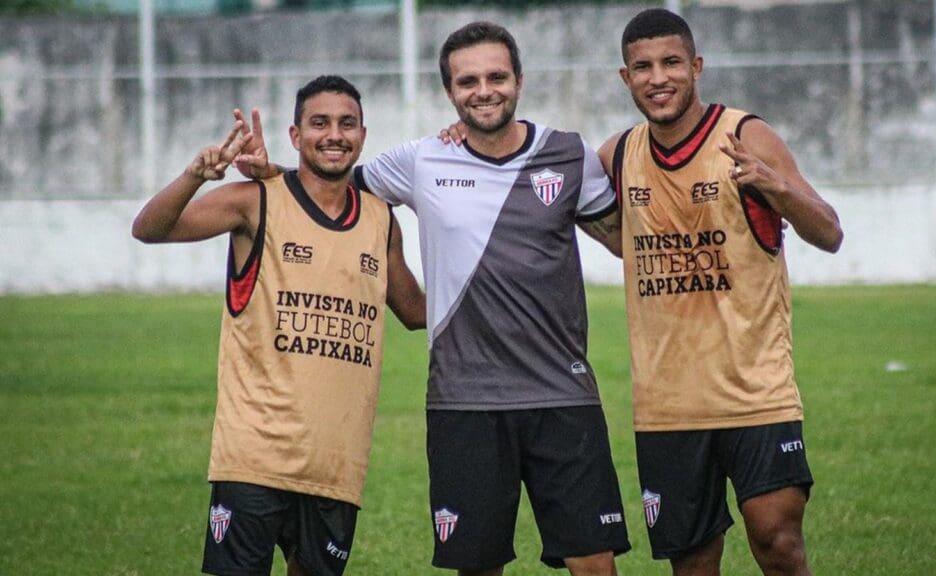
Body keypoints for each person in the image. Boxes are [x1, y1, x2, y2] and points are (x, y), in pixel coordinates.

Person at [234, 22, 630, 576]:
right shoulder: (422, 160)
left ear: (519, 80)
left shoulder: (568, 155)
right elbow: (330, 183)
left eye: (496, 76)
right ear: (450, 91)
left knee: (595, 566)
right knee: (476, 566)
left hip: (562, 395)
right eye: (468, 81)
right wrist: (269, 172)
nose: (484, 90)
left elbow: (626, 241)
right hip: (463, 400)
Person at [132, 75, 425, 576]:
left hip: (335, 463)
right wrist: (195, 176)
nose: (334, 134)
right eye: (320, 123)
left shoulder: (382, 221)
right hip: (253, 457)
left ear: (363, 134)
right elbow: (150, 229)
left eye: (346, 123)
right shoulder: (255, 200)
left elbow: (417, 313)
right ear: (295, 135)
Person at [597, 8, 844, 576]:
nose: (658, 78)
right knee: (692, 561)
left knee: (776, 541)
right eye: (643, 67)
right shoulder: (617, 156)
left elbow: (829, 232)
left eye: (672, 63)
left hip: (755, 393)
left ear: (697, 66)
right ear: (625, 77)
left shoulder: (744, 136)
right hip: (667, 406)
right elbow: (566, 200)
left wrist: (776, 185)